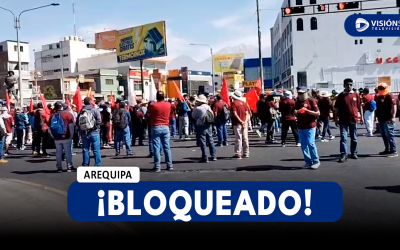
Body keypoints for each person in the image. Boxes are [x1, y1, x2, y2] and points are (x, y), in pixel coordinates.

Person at [334, 78, 363, 163]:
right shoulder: (340, 96)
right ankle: (344, 154)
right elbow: (336, 108)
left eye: (350, 84)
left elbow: (359, 106)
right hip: (343, 120)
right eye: (347, 84)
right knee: (343, 138)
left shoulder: (356, 95)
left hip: (353, 119)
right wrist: (336, 118)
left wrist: (361, 116)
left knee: (354, 138)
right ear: (344, 85)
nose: (349, 86)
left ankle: (354, 152)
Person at [294, 86, 320, 169]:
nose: (300, 95)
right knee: (304, 145)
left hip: (310, 126)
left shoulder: (311, 100)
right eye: (299, 93)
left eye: (302, 93)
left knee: (310, 143)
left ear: (306, 92)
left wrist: (307, 111)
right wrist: (297, 112)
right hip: (301, 126)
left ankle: (316, 161)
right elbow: (295, 112)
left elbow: (317, 113)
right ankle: (308, 161)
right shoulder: (297, 102)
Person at [148, 91, 173, 172]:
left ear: (156, 97)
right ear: (163, 96)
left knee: (156, 147)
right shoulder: (168, 104)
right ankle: (169, 165)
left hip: (156, 126)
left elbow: (149, 114)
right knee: (167, 147)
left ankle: (157, 166)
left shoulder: (153, 105)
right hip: (165, 126)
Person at [48, 101, 76, 173]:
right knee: (68, 152)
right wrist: (71, 135)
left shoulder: (52, 116)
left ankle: (59, 167)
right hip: (66, 136)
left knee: (58, 152)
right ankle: (69, 167)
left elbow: (50, 128)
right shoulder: (68, 114)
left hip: (57, 137)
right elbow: (71, 126)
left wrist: (53, 136)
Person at [77, 97, 102, 166]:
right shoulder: (95, 110)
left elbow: (77, 123)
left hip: (84, 133)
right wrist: (95, 127)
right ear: (90, 102)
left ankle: (85, 164)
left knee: (85, 149)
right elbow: (99, 120)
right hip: (94, 132)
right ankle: (97, 165)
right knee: (96, 150)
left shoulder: (81, 111)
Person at [192, 94, 217, 162]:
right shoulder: (208, 107)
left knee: (203, 141)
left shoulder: (198, 108)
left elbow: (193, 116)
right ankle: (213, 155)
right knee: (210, 139)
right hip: (208, 124)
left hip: (201, 124)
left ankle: (205, 157)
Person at [375, 83, 397, 157]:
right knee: (384, 135)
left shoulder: (390, 96)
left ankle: (393, 151)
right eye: (380, 88)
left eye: (382, 88)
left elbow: (394, 106)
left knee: (390, 135)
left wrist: (393, 117)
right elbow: (377, 108)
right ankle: (387, 149)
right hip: (381, 119)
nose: (381, 89)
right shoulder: (379, 96)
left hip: (388, 119)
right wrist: (376, 118)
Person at [230, 90, 250, 159]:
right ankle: (246, 152)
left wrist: (241, 121)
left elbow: (235, 114)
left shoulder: (234, 103)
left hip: (237, 123)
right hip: (244, 122)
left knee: (239, 138)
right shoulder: (243, 103)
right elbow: (247, 113)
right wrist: (245, 121)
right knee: (245, 138)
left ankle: (238, 153)